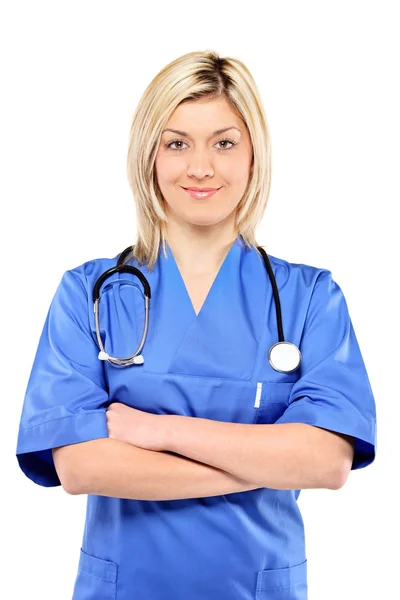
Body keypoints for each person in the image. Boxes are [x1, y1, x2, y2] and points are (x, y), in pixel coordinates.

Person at [16, 49, 377, 600]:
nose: (201, 167)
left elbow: (328, 460)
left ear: (254, 155)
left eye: (224, 143)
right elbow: (81, 465)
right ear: (149, 157)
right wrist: (265, 462)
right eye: (176, 143)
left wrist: (159, 431)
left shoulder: (309, 299)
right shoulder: (87, 294)